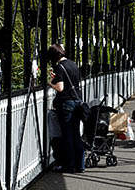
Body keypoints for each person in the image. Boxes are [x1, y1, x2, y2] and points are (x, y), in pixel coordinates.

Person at [47, 44, 85, 173]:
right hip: (77, 101)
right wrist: (57, 78)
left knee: (67, 135)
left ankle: (69, 165)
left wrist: (50, 83)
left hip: (66, 103)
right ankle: (80, 165)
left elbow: (60, 88)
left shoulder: (59, 66)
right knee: (76, 134)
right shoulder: (73, 64)